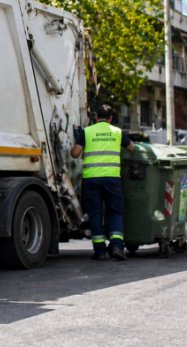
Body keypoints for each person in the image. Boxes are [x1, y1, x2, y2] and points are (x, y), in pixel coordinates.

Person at [70, 104, 135, 261]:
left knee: (95, 213)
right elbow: (131, 148)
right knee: (115, 212)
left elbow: (75, 153)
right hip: (112, 179)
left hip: (91, 179)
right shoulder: (117, 132)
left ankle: (99, 251)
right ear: (111, 118)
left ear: (96, 117)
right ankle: (117, 247)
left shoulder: (87, 131)